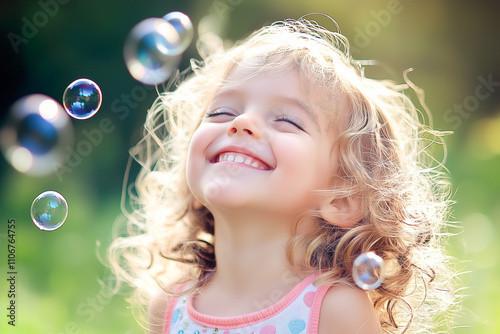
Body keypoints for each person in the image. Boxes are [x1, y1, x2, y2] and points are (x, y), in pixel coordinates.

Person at [108, 17, 458, 334]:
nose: (240, 123)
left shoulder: (334, 311)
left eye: (287, 120)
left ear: (341, 195)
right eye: (221, 111)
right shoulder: (169, 307)